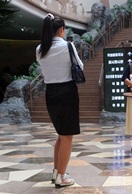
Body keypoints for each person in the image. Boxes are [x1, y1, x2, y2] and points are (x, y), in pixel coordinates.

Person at [36, 13, 81, 188]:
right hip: (67, 92)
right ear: (61, 30)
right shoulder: (67, 46)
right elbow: (80, 66)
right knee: (67, 136)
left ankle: (57, 171)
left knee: (61, 135)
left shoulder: (40, 49)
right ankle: (61, 177)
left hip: (50, 93)